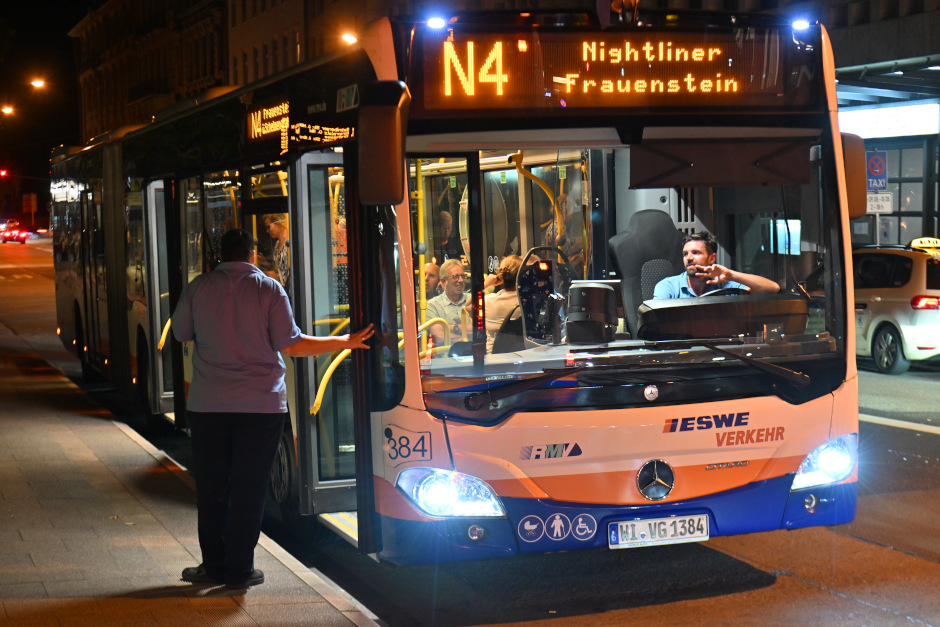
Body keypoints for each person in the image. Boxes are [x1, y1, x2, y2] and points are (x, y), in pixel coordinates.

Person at [171, 228, 373, 589]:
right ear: (252, 255)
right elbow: (292, 346)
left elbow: (181, 333)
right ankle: (240, 570)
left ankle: (212, 566)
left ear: (220, 256)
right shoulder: (269, 289)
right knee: (250, 490)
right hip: (261, 407)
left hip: (208, 406)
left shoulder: (199, 287)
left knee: (212, 488)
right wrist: (345, 340)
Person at [653, 232, 780, 299]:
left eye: (696, 253)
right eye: (685, 254)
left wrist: (731, 275)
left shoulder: (726, 285)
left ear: (712, 258)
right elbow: (656, 321)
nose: (689, 258)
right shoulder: (668, 286)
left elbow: (773, 288)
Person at [481, 255, 522, 353]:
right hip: (522, 356)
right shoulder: (526, 302)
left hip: (493, 357)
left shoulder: (489, 300)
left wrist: (485, 284)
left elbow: (468, 306)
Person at [426, 258, 470, 345]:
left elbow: (481, 330)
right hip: (446, 352)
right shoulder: (432, 305)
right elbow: (439, 337)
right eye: (455, 277)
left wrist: (451, 328)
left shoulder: (472, 300)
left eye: (463, 276)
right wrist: (467, 339)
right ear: (443, 281)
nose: (461, 280)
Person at [264, 213, 290, 287]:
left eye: (269, 227)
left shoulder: (289, 243)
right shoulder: (277, 244)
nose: (267, 231)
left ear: (278, 223)